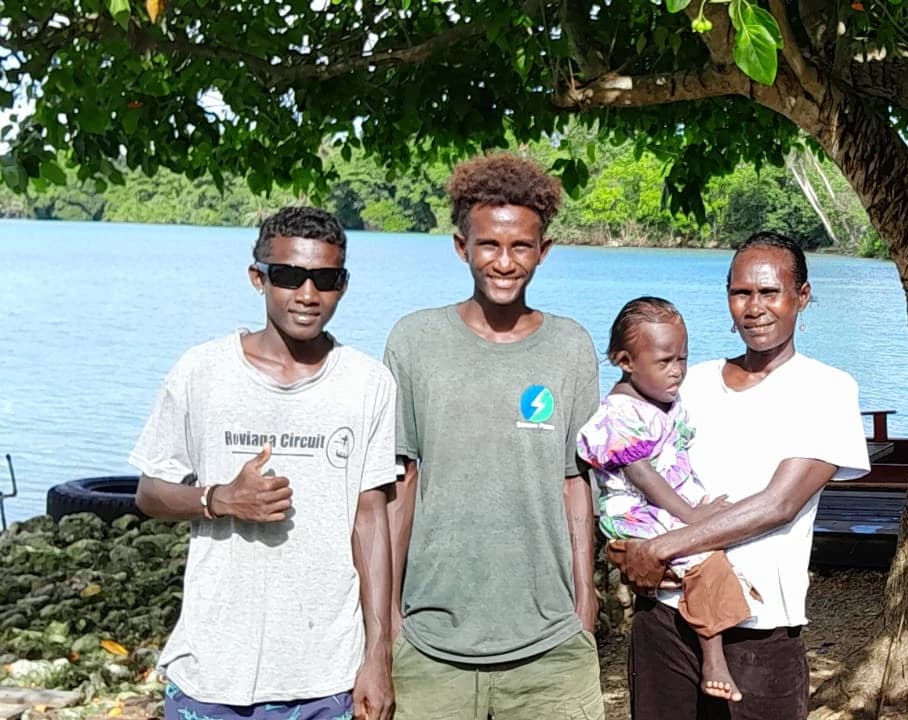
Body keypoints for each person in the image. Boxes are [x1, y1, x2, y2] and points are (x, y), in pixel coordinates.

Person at [130, 207, 395, 720]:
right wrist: (218, 499)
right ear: (258, 278)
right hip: (212, 668)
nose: (308, 294)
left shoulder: (368, 384)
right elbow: (150, 492)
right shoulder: (202, 372)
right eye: (289, 276)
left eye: (325, 279)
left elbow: (371, 519)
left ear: (343, 285)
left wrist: (378, 654)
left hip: (327, 675)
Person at [609, 232, 872, 720]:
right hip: (666, 614)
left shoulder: (828, 389)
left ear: (802, 296)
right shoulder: (689, 383)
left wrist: (662, 548)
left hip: (760, 627)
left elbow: (778, 505)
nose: (754, 308)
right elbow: (627, 447)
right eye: (741, 293)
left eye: (770, 292)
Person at [383, 154, 603, 719]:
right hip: (430, 642)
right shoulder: (415, 341)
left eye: (521, 247)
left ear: (543, 250)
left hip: (552, 644)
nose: (505, 262)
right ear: (462, 247)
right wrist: (388, 619)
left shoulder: (570, 346)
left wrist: (584, 603)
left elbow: (575, 484)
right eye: (488, 245)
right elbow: (402, 485)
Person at [577, 296, 751, 702]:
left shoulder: (662, 401)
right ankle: (713, 657)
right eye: (664, 361)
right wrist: (692, 517)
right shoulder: (620, 413)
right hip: (637, 513)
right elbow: (643, 475)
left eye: (682, 359)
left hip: (666, 504)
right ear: (625, 361)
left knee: (712, 554)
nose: (677, 371)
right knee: (703, 557)